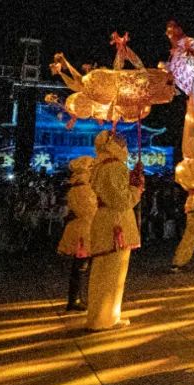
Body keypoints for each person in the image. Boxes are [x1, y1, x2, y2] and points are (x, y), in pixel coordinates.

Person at [86, 131, 143, 331]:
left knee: (105, 273)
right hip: (115, 224)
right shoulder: (114, 166)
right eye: (121, 142)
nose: (125, 146)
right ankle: (103, 320)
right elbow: (121, 200)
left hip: (105, 221)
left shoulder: (100, 165)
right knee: (111, 275)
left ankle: (106, 316)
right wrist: (136, 188)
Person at [57, 156, 96, 311]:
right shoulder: (83, 189)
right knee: (81, 266)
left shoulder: (78, 187)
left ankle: (76, 298)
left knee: (80, 266)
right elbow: (90, 210)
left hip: (82, 228)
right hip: (84, 231)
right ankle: (75, 299)